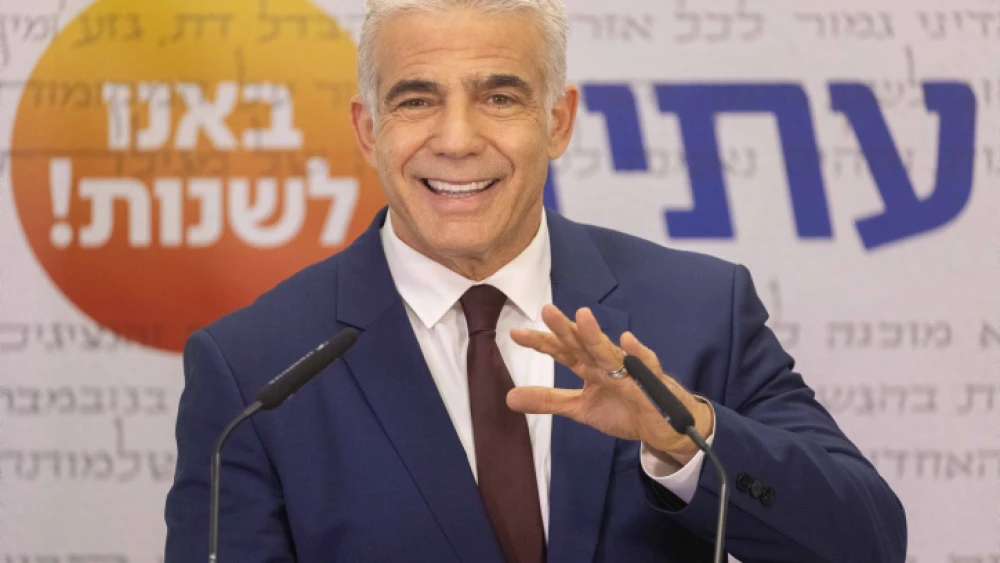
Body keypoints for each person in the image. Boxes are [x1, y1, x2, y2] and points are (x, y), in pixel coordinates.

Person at [164, 0, 907, 561]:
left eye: (499, 96)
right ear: (368, 131)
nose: (456, 140)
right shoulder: (254, 370)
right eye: (417, 99)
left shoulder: (699, 311)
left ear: (558, 120)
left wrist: (688, 441)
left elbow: (868, 539)